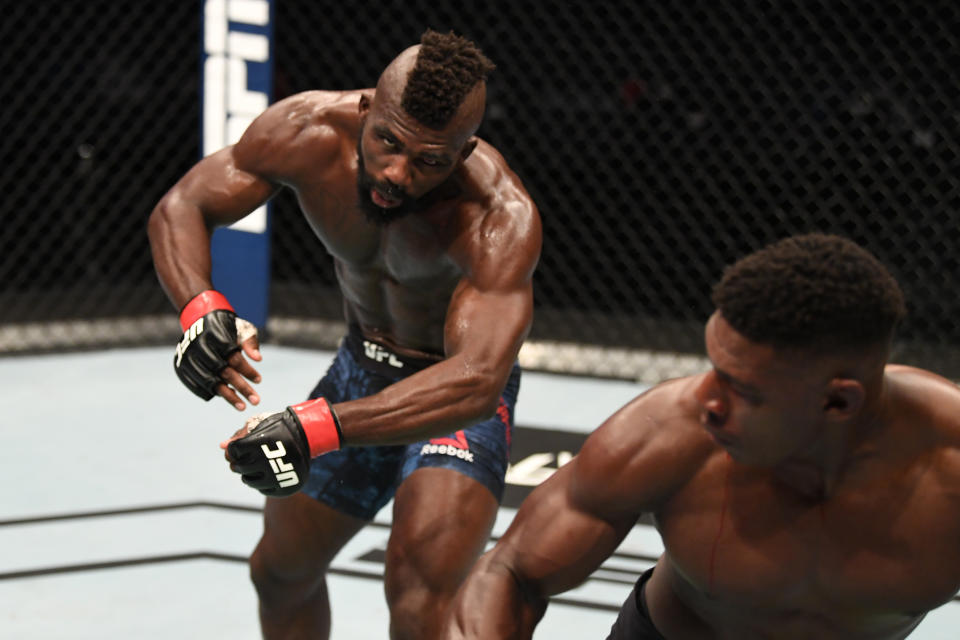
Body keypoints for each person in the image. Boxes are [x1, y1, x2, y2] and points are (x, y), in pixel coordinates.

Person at [147, 29, 541, 640]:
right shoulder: (305, 131)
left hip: (451, 396)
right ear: (365, 109)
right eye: (387, 141)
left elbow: (474, 383)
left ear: (462, 155)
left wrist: (319, 427)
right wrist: (201, 308)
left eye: (429, 160)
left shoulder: (497, 217)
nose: (397, 173)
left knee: (418, 602)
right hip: (363, 365)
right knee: (278, 571)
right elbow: (182, 207)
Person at [443, 233, 960, 640]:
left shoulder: (949, 468)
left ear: (837, 401)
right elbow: (511, 573)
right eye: (714, 367)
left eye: (743, 390)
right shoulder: (669, 433)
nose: (706, 401)